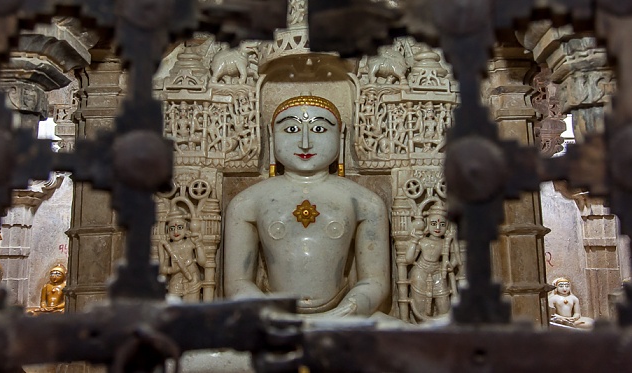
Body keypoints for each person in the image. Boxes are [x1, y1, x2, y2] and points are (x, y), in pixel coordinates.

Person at [224, 95, 390, 317]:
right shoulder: (247, 202)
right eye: (291, 129)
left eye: (319, 129)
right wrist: (271, 315)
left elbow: (375, 281)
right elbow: (237, 283)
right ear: (271, 136)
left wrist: (348, 311)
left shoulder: (365, 202)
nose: (305, 142)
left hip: (344, 317)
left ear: (340, 136)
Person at [405, 203, 456, 320]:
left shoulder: (446, 242)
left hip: (439, 273)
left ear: (447, 225)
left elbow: (454, 259)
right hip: (420, 273)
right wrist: (414, 241)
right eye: (434, 224)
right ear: (427, 223)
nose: (438, 228)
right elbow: (409, 259)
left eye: (442, 224)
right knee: (420, 305)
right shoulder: (423, 241)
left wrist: (450, 265)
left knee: (444, 305)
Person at [159, 207, 206, 302]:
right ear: (168, 231)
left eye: (179, 227)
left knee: (191, 309)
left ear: (186, 228)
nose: (176, 232)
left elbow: (202, 262)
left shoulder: (190, 243)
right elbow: (162, 268)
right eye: (172, 228)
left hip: (192, 279)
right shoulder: (168, 246)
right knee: (173, 308)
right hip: (175, 281)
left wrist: (198, 245)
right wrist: (172, 269)